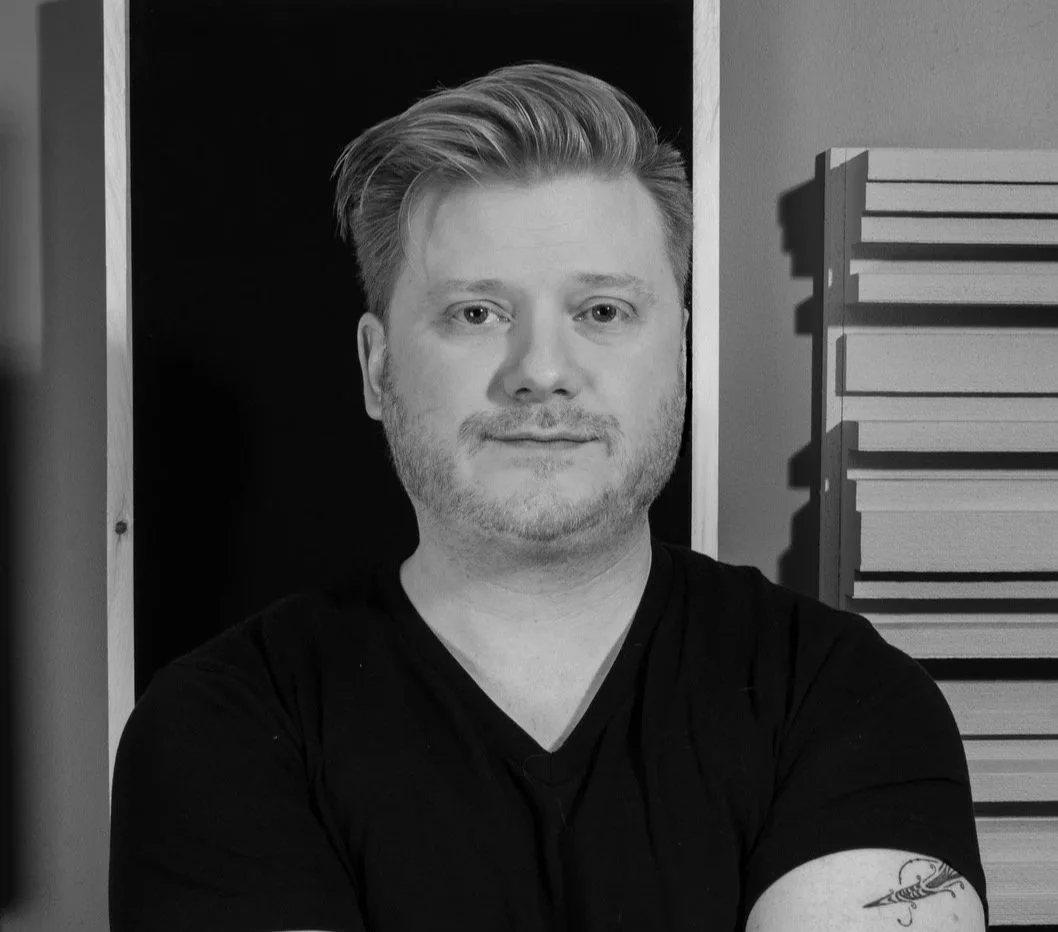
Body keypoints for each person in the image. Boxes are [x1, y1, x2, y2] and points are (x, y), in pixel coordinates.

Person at [108, 61, 989, 932]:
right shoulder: (222, 727)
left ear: (679, 357)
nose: (540, 373)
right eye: (476, 314)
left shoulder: (847, 700)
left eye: (602, 311)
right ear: (377, 368)